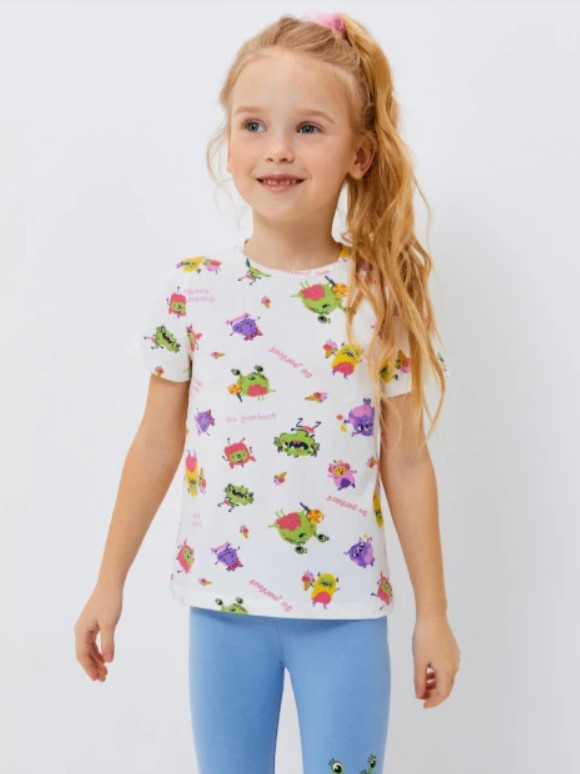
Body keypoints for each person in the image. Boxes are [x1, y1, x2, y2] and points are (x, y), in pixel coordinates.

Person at [74, 10, 460, 773]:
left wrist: (434, 616)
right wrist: (106, 584)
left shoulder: (381, 296)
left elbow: (408, 460)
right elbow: (156, 442)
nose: (277, 148)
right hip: (223, 610)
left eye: (308, 128)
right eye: (254, 125)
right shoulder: (193, 290)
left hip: (346, 614)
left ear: (360, 154)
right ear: (229, 143)